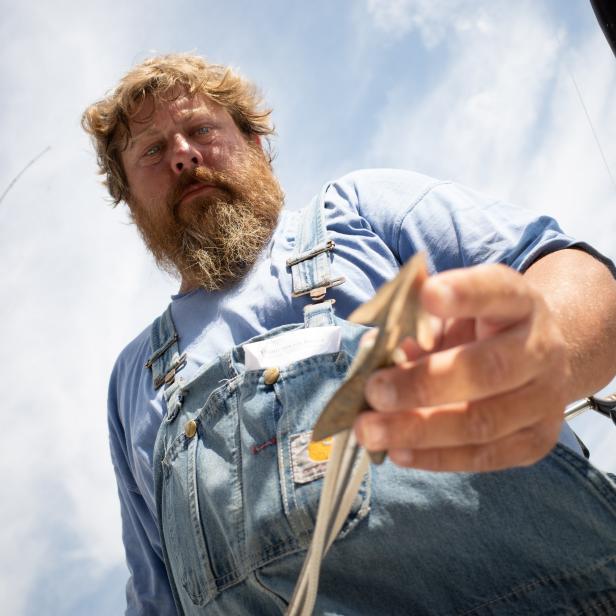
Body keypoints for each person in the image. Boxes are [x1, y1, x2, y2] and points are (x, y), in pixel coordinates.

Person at [82, 53, 616, 615]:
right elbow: (157, 597)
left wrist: (543, 349)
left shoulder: (357, 210)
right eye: (152, 150)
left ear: (255, 144)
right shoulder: (134, 379)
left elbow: (576, 277)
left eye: (201, 130)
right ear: (130, 199)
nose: (184, 155)